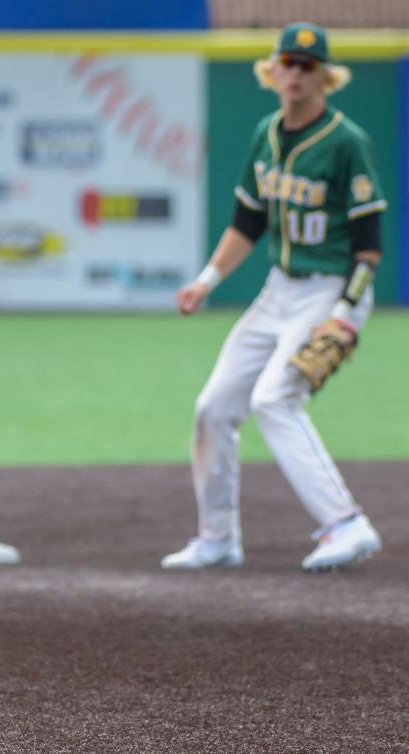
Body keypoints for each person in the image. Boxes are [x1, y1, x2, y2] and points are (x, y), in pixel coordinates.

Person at [161, 22, 386, 572]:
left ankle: (346, 523)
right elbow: (248, 222)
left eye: (307, 65)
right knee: (214, 407)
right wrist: (208, 280)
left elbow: (369, 248)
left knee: (274, 398)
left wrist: (345, 315)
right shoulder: (266, 133)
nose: (295, 72)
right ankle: (218, 538)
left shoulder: (347, 142)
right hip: (279, 289)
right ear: (272, 69)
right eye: (287, 62)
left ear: (325, 77)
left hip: (330, 290)